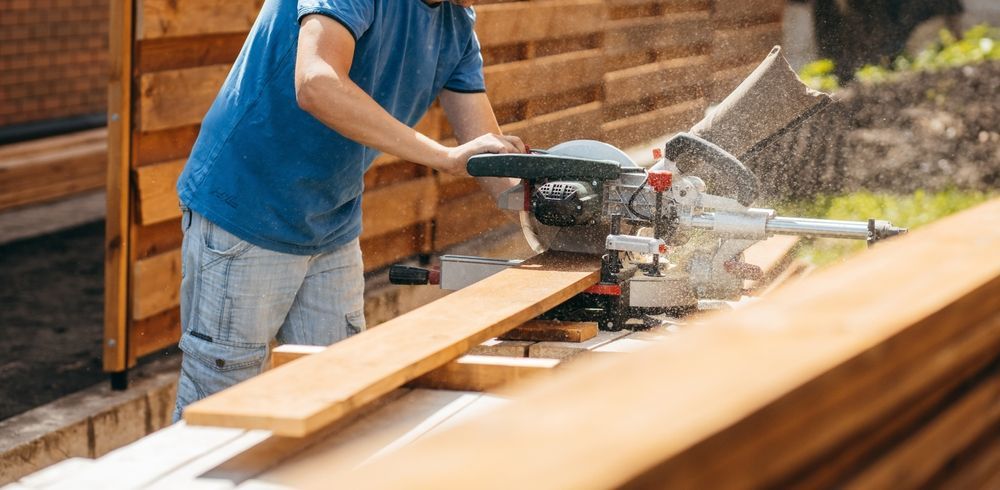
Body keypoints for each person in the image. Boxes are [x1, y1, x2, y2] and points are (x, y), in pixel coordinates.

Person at [172, 0, 522, 419]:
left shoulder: (455, 24)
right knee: (219, 414)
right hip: (246, 211)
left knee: (337, 401)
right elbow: (316, 82)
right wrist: (444, 156)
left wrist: (548, 211)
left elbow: (488, 156)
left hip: (330, 224)